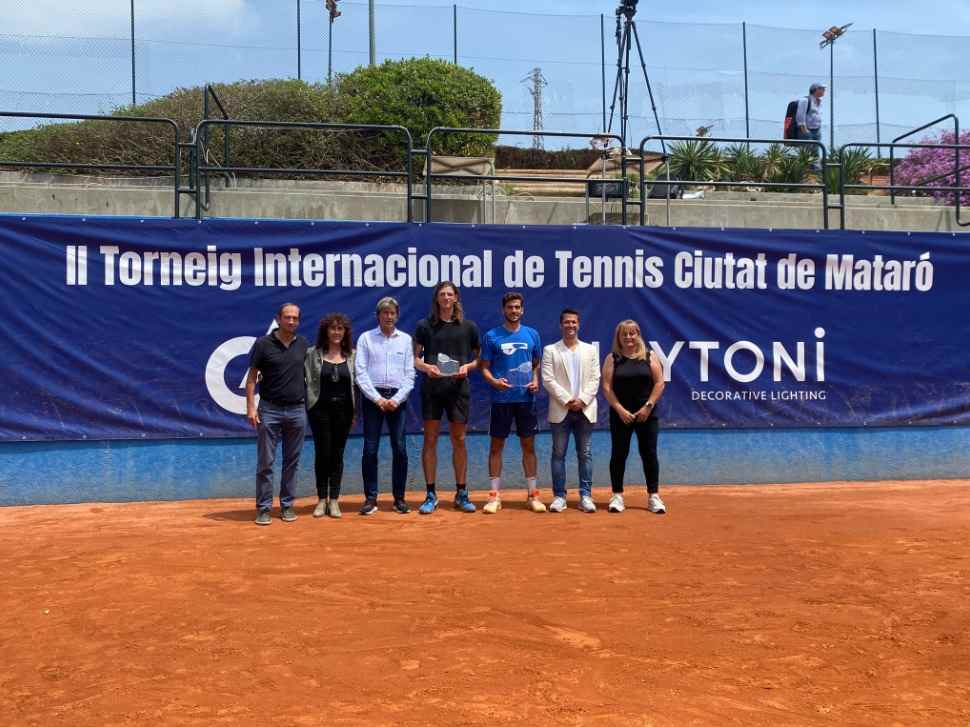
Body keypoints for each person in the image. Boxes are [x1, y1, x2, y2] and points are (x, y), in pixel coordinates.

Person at [413, 281, 480, 514]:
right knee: (430, 439)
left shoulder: (468, 327)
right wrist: (426, 368)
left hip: (458, 391)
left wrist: (467, 368)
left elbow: (479, 359)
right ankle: (431, 493)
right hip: (432, 391)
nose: (446, 298)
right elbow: (415, 359)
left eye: (449, 294)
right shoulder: (424, 326)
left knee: (459, 440)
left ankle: (461, 492)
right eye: (442, 294)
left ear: (456, 298)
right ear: (436, 299)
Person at [479, 292, 545, 514]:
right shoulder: (491, 336)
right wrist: (494, 382)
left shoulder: (532, 335)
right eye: (510, 307)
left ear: (522, 310)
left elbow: (536, 364)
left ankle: (533, 495)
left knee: (529, 446)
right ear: (503, 310)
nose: (514, 311)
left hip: (526, 400)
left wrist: (536, 380)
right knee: (496, 447)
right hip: (501, 400)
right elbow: (484, 367)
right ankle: (494, 497)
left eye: (517, 307)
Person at [246, 303, 309, 526]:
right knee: (266, 463)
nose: (291, 321)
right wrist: (251, 408)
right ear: (278, 319)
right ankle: (263, 508)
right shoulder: (263, 344)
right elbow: (252, 377)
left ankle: (287, 505)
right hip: (269, 410)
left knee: (292, 462)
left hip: (297, 410)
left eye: (295, 318)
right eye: (287, 317)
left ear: (298, 321)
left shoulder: (303, 344)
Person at [354, 297, 415, 516]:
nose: (388, 317)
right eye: (384, 313)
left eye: (392, 313)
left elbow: (410, 374)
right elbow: (360, 372)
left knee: (399, 448)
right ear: (378, 315)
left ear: (397, 315)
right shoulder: (366, 339)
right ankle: (370, 498)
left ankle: (399, 499)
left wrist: (396, 399)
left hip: (398, 400)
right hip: (373, 401)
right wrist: (377, 399)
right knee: (370, 449)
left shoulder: (406, 340)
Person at [601, 319, 666, 515]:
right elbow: (606, 387)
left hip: (647, 415)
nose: (629, 337)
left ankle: (654, 496)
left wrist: (647, 407)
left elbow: (659, 383)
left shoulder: (649, 356)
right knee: (619, 454)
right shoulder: (612, 358)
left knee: (649, 454)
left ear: (638, 335)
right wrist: (620, 409)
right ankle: (617, 496)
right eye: (624, 334)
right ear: (618, 338)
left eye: (632, 333)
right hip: (621, 416)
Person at [541, 308, 601, 513]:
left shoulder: (591, 351)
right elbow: (548, 380)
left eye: (574, 322)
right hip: (561, 410)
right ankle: (559, 496)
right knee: (558, 454)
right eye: (567, 322)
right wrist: (568, 400)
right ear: (561, 325)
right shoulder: (551, 350)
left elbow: (595, 379)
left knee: (585, 454)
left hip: (585, 410)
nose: (570, 326)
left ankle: (586, 496)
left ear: (579, 324)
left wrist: (582, 400)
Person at [305, 312, 356, 520]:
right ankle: (320, 499)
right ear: (325, 331)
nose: (336, 332)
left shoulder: (353, 355)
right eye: (332, 328)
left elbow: (357, 386)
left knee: (337, 454)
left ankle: (334, 499)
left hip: (344, 413)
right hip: (319, 411)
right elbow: (302, 379)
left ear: (345, 333)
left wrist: (354, 412)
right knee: (322, 453)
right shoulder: (312, 354)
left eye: (340, 329)